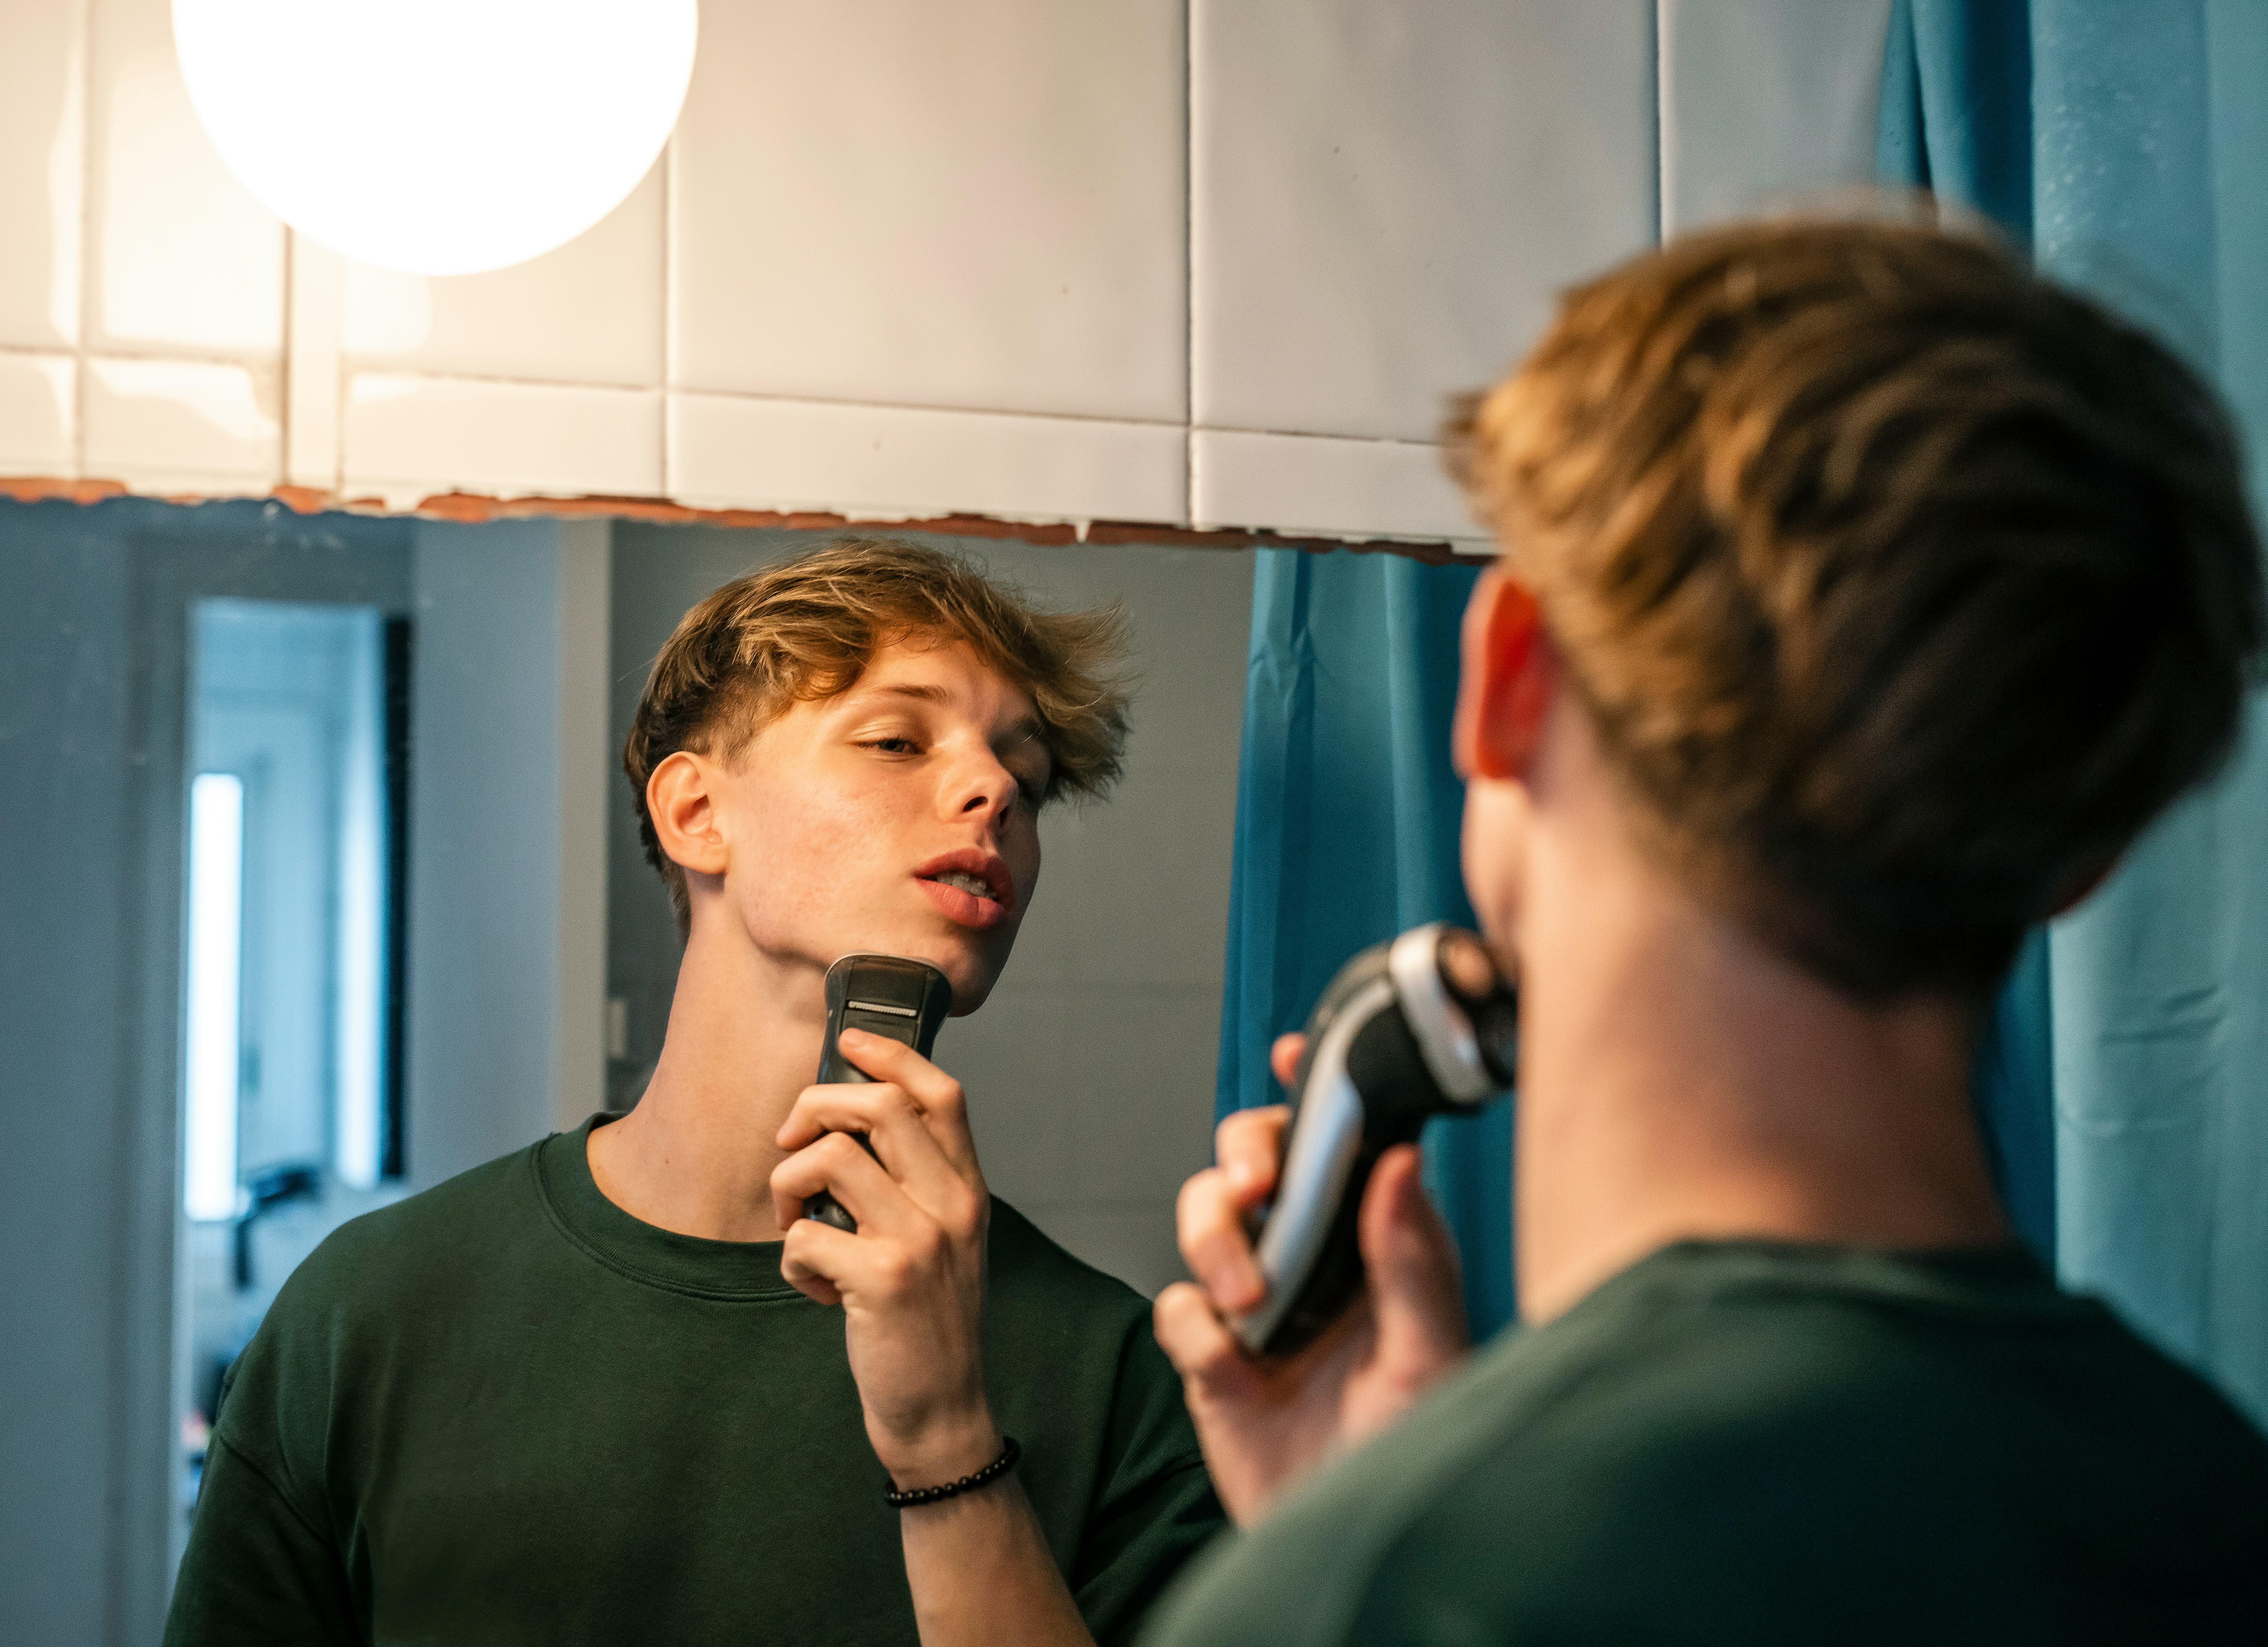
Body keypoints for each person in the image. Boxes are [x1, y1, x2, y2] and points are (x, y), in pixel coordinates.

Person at [1145, 215, 2268, 1644]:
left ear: (1510, 673)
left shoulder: (1390, 1596)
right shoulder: (2217, 1507)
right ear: (2082, 854)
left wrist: (1373, 1545)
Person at [166, 538, 1223, 1645]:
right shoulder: (367, 1317)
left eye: (1029, 777)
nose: (996, 789)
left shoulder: (1117, 1375)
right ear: (695, 814)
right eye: (896, 740)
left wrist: (950, 1441)